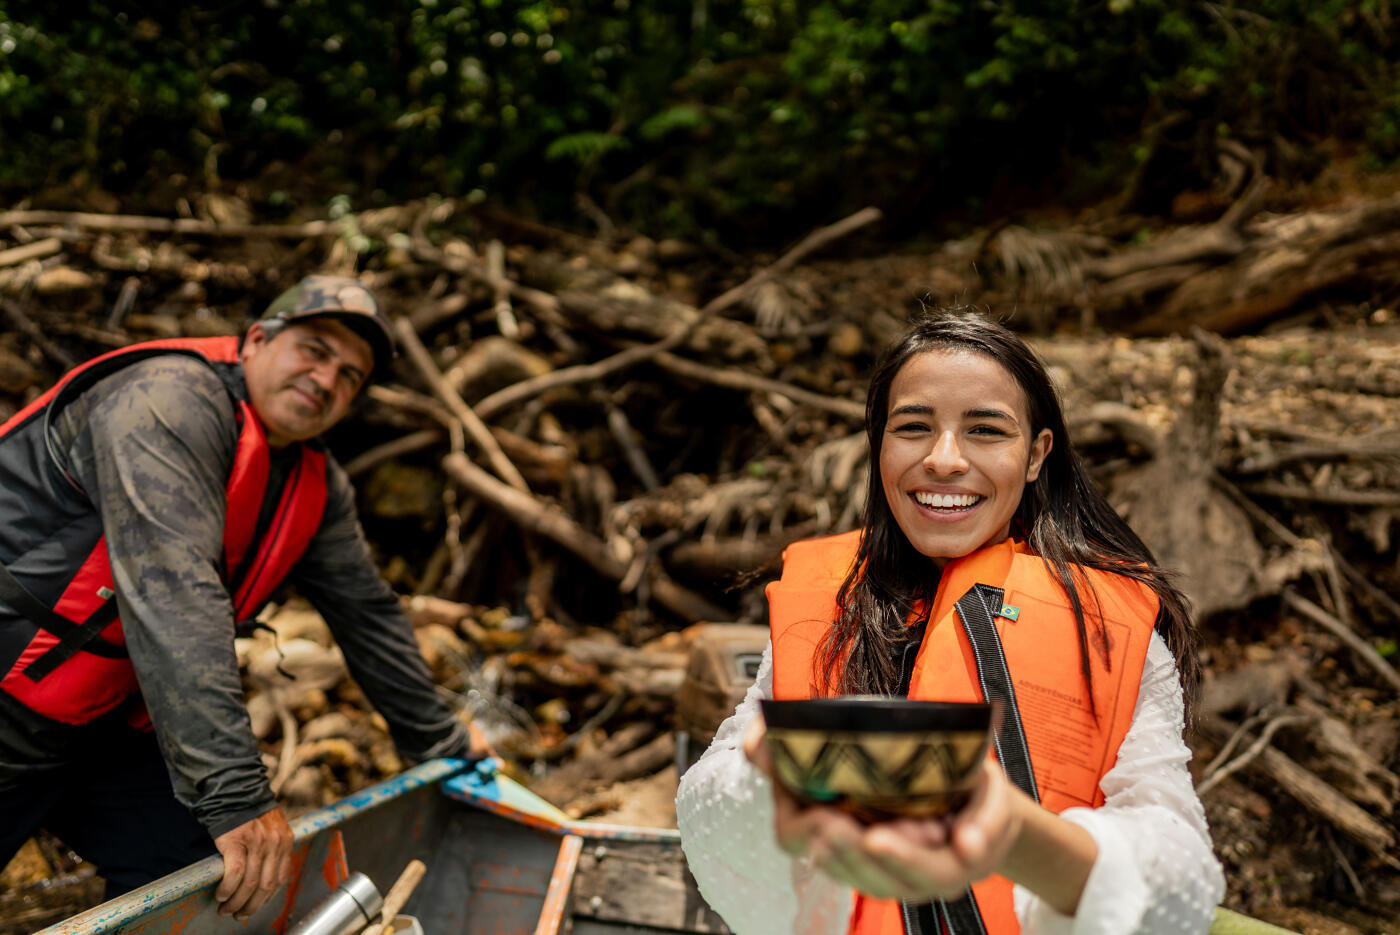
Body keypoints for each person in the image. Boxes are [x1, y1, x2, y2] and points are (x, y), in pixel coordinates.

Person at [677, 311, 1225, 935]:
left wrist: (1011, 833)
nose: (944, 460)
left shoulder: (1111, 626)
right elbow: (705, 816)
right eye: (913, 427)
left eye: (985, 431)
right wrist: (768, 783)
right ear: (878, 444)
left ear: (1035, 455)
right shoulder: (831, 608)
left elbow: (1182, 873)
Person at [0, 275, 483, 922]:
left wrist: (445, 744)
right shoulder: (166, 400)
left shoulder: (315, 484)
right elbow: (174, 589)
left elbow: (367, 613)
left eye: (349, 375)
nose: (326, 379)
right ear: (256, 340)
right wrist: (236, 795)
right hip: (7, 703)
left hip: (104, 716)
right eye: (314, 349)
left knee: (201, 878)